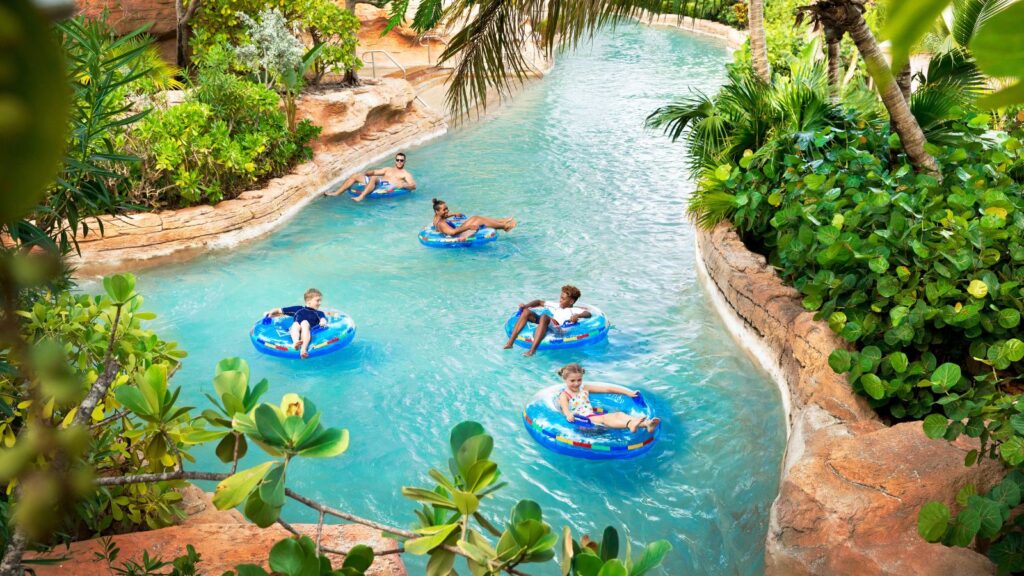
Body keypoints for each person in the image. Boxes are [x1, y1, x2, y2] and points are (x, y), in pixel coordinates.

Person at [556, 363, 661, 434]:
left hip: (591, 416)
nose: (576, 383)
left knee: (618, 414)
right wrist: (569, 414)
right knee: (605, 418)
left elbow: (607, 389)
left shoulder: (584, 388)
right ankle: (630, 424)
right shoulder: (564, 395)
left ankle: (647, 424)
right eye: (572, 381)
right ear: (565, 379)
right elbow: (565, 410)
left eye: (579, 380)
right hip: (583, 421)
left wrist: (628, 393)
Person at [503, 285, 591, 357]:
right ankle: (510, 342)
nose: (560, 300)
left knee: (545, 317)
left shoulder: (575, 310)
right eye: (560, 297)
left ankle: (532, 350)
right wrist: (525, 306)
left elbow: (588, 314)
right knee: (526, 312)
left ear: (571, 301)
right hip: (549, 323)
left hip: (559, 329)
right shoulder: (557, 305)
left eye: (563, 299)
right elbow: (539, 302)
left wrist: (577, 316)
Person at [327, 152, 417, 202]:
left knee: (374, 178)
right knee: (355, 175)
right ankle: (337, 193)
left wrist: (404, 185)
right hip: (379, 182)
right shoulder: (388, 169)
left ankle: (361, 197)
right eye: (397, 160)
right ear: (395, 160)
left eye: (401, 160)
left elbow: (413, 186)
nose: (399, 162)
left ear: (405, 161)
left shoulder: (405, 174)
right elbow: (375, 172)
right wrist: (367, 173)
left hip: (388, 187)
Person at [264, 288, 328, 359]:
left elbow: (323, 319)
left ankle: (303, 349)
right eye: (317, 300)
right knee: (295, 324)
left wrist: (323, 322)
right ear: (309, 301)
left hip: (308, 330)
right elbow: (279, 310)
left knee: (304, 323)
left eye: (320, 301)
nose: (320, 303)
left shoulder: (319, 313)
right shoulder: (297, 309)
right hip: (296, 330)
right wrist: (270, 313)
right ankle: (296, 343)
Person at [431, 198, 516, 238]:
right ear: (437, 211)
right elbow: (453, 232)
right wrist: (468, 227)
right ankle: (504, 227)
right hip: (459, 235)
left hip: (458, 230)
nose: (447, 211)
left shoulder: (436, 218)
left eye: (447, 209)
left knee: (475, 217)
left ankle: (500, 221)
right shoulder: (441, 224)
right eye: (444, 210)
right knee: (478, 220)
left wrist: (453, 214)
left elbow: (444, 216)